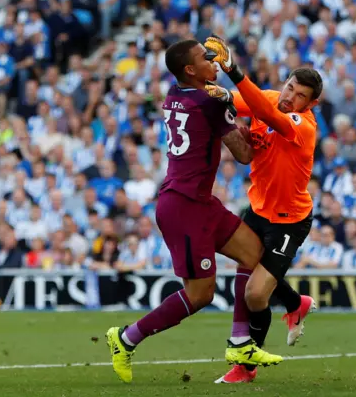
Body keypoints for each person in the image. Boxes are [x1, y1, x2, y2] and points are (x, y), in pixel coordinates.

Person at [105, 39, 282, 384]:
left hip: (198, 201)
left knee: (253, 254)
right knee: (201, 294)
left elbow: (208, 116)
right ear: (190, 70)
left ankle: (240, 342)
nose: (214, 60)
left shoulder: (176, 93)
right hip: (184, 207)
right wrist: (262, 136)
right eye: (206, 58)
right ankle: (125, 339)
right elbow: (244, 156)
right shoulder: (211, 102)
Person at [205, 35, 322, 383]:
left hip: (290, 221)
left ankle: (247, 366)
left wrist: (232, 69)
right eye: (289, 87)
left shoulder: (304, 126)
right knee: (243, 266)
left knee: (255, 294)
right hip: (258, 209)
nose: (290, 97)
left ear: (311, 103)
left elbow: (265, 110)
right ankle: (294, 304)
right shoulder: (270, 98)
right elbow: (236, 100)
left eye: (300, 95)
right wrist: (203, 87)